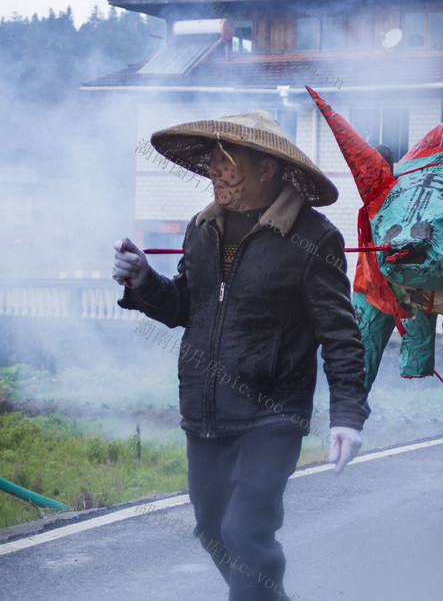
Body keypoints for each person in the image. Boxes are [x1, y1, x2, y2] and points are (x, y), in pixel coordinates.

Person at [112, 111, 369, 600]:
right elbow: (188, 306)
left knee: (246, 534)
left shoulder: (314, 238)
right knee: (212, 531)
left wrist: (347, 416)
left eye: (226, 160)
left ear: (267, 167)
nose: (213, 169)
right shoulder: (202, 227)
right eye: (211, 159)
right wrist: (143, 280)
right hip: (206, 412)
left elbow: (340, 334)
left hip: (272, 415)